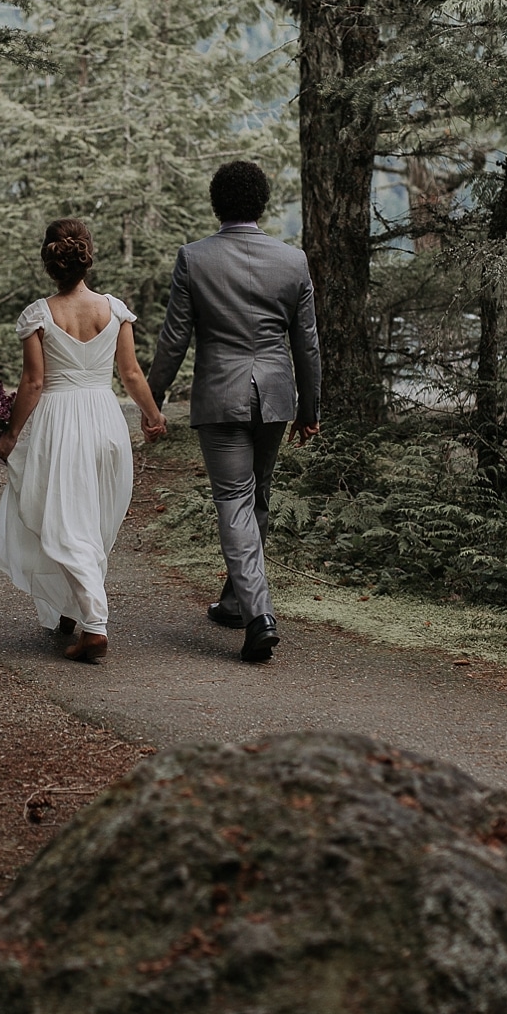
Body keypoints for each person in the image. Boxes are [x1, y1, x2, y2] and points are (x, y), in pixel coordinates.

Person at [144, 160, 322, 663]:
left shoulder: (195, 258)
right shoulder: (293, 260)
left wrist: (151, 398)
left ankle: (258, 614)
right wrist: (309, 408)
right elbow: (306, 345)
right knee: (255, 497)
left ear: (215, 204)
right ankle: (233, 600)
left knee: (236, 500)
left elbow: (175, 337)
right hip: (275, 395)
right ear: (262, 204)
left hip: (220, 396)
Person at [0, 219, 168, 664]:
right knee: (90, 520)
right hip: (105, 421)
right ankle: (71, 607)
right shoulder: (114, 309)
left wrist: (10, 435)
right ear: (87, 254)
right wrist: (152, 415)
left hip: (60, 422)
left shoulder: (40, 314)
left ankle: (95, 626)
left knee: (66, 520)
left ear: (50, 262)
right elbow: (130, 374)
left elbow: (33, 383)